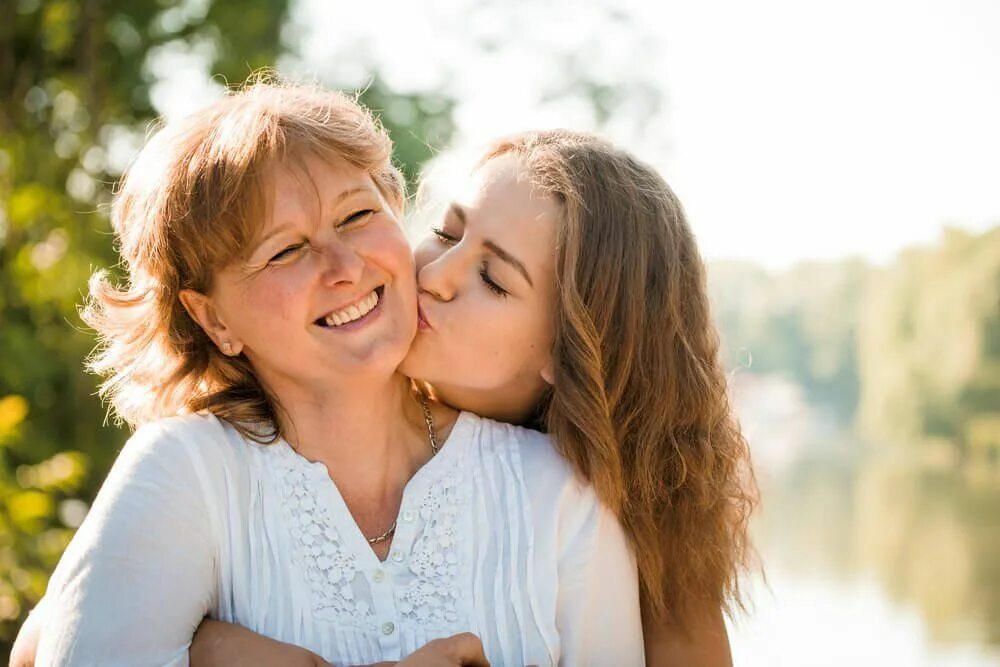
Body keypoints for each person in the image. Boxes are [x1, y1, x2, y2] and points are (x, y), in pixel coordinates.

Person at [17, 82, 644, 666]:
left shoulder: (558, 493)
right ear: (214, 319)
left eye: (356, 217)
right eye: (285, 251)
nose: (343, 265)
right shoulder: (186, 472)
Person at [184, 129, 757, 666]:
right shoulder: (249, 441)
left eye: (493, 279)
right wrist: (201, 646)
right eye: (447, 233)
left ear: (572, 349)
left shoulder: (627, 534)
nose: (435, 275)